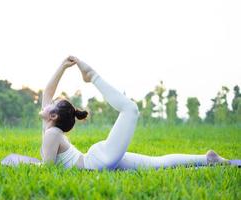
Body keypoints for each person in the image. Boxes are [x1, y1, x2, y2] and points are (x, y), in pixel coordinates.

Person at [39, 56, 228, 171]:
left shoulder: (52, 132)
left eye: (52, 104)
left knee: (130, 109)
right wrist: (62, 67)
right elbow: (47, 93)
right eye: (52, 103)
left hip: (98, 161)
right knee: (156, 164)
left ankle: (92, 76)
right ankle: (208, 159)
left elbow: (47, 168)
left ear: (53, 116)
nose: (48, 102)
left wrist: (63, 66)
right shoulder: (50, 128)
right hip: (99, 158)